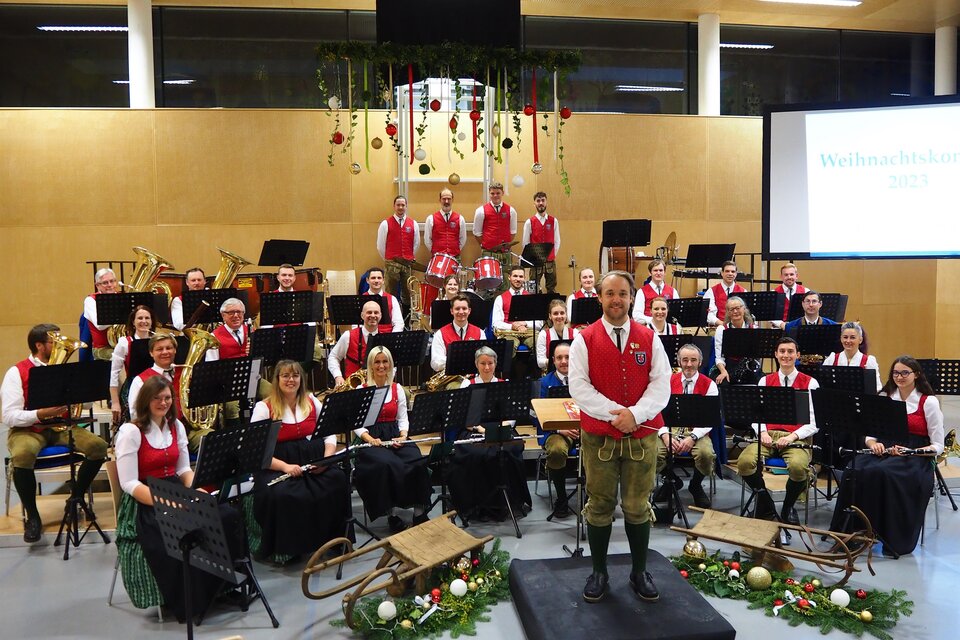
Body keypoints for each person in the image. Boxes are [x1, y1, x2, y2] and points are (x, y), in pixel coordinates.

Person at [569, 270, 670, 603]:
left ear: (631, 297)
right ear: (599, 297)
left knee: (637, 506)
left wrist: (636, 415)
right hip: (599, 438)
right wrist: (619, 414)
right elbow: (579, 388)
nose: (616, 299)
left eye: (623, 293)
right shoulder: (584, 340)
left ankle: (639, 571)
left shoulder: (649, 337)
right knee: (599, 505)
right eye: (610, 293)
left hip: (642, 437)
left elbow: (661, 382)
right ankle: (599, 571)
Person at [114, 376, 242, 622]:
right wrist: (166, 502)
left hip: (175, 490)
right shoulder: (131, 432)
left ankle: (221, 588)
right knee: (183, 530)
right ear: (146, 400)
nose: (163, 402)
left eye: (167, 398)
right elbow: (128, 483)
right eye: (157, 398)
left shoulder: (176, 426)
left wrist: (197, 490)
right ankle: (191, 599)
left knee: (226, 515)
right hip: (145, 499)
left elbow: (183, 470)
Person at [2, 324, 109, 543]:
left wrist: (83, 391)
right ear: (39, 345)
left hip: (62, 426)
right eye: (54, 341)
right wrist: (39, 414)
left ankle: (75, 497)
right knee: (23, 454)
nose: (60, 344)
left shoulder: (65, 371)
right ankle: (33, 517)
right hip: (28, 429)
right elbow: (9, 416)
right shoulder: (17, 372)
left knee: (98, 446)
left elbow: (86, 403)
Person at [828, 356, 944, 557]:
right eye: (896, 373)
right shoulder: (885, 396)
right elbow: (869, 435)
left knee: (883, 473)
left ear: (916, 375)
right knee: (854, 470)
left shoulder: (929, 401)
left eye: (905, 373)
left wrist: (911, 451)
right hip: (885, 450)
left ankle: (886, 535)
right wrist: (874, 444)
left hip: (915, 456)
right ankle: (852, 531)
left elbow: (938, 445)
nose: (899, 377)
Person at [249, 360, 348, 559]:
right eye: (285, 376)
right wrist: (285, 467)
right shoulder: (264, 407)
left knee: (337, 480)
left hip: (314, 463)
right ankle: (292, 550)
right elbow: (256, 451)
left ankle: (333, 540)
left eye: (295, 376)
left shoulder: (312, 400)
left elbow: (329, 434)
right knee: (285, 495)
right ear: (276, 380)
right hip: (277, 467)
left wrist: (326, 460)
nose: (291, 380)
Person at [736, 337, 819, 525]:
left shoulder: (810, 383)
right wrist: (762, 432)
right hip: (768, 436)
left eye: (790, 352)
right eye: (782, 351)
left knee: (798, 468)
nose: (786, 355)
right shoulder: (765, 381)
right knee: (744, 462)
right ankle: (766, 503)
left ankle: (788, 507)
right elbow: (756, 415)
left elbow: (815, 421)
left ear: (798, 355)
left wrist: (792, 437)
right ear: (775, 354)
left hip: (796, 438)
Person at [447, 347, 531, 521]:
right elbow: (463, 419)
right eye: (483, 363)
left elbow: (511, 415)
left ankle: (505, 503)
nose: (487, 367)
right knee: (475, 454)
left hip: (500, 429)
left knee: (509, 451)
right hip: (475, 430)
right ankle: (478, 505)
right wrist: (482, 430)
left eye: (490, 363)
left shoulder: (503, 383)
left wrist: (500, 429)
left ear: (496, 364)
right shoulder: (467, 385)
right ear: (476, 364)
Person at [353, 346, 432, 532]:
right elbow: (356, 423)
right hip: (370, 438)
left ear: (390, 364)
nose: (381, 366)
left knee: (416, 459)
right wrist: (369, 438)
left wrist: (403, 436)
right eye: (377, 362)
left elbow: (403, 418)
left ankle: (419, 512)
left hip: (395, 435)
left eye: (385, 361)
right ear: (371, 366)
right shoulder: (361, 389)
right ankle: (392, 515)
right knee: (386, 465)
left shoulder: (397, 389)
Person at [128, 332, 213, 453]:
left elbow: (202, 402)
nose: (165, 352)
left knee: (215, 439)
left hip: (189, 430)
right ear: (151, 353)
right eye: (159, 349)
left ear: (175, 351)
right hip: (157, 434)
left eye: (169, 348)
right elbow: (136, 414)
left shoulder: (187, 374)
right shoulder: (140, 380)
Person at [656, 344, 717, 509]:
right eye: (685, 360)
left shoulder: (709, 384)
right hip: (670, 429)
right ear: (678, 362)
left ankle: (695, 485)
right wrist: (665, 435)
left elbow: (710, 417)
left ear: (700, 362)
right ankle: (671, 480)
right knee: (652, 453)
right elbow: (656, 411)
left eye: (693, 360)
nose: (689, 364)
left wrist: (693, 437)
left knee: (705, 454)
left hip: (697, 430)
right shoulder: (667, 382)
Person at [537, 342, 578, 517]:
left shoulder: (585, 379)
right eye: (559, 358)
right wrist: (560, 429)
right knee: (556, 450)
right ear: (553, 361)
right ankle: (561, 498)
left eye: (568, 357)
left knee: (600, 446)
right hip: (556, 431)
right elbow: (537, 415)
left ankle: (595, 500)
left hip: (583, 429)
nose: (564, 361)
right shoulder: (544, 383)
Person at [109, 304, 158, 424]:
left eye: (147, 318)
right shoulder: (124, 343)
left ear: (152, 321)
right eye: (140, 318)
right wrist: (115, 403)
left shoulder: (157, 341)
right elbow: (114, 373)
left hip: (156, 387)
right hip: (132, 389)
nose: (144, 321)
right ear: (133, 322)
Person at [473, 181, 517, 295]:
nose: (495, 196)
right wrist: (487, 245)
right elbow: (477, 233)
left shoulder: (511, 211)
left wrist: (503, 245)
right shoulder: (480, 211)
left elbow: (513, 232)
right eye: (492, 193)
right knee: (487, 285)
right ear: (489, 194)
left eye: (498, 193)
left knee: (505, 284)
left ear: (502, 193)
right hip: (488, 253)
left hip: (505, 254)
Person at [377, 195, 420, 307]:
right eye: (398, 205)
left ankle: (406, 322)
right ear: (394, 206)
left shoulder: (413, 224)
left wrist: (408, 256)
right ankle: (390, 321)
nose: (400, 207)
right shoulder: (385, 224)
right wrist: (390, 259)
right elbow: (380, 246)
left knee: (408, 294)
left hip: (408, 264)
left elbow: (416, 244)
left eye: (403, 205)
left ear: (406, 206)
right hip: (391, 264)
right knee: (390, 294)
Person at [328, 300, 383, 385]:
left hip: (378, 385)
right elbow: (333, 357)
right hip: (354, 387)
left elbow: (392, 364)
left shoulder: (385, 338)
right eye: (369, 312)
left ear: (380, 316)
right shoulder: (348, 336)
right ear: (362, 315)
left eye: (376, 313)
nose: (373, 315)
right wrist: (338, 376)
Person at [430, 294, 484, 372]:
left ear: (469, 311)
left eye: (464, 308)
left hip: (474, 378)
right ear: (452, 311)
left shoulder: (480, 333)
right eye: (457, 309)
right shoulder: (440, 334)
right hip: (451, 379)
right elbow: (436, 363)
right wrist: (460, 361)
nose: (461, 312)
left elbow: (483, 358)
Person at [711, 296, 758, 384]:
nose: (735, 311)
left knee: (760, 381)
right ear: (728, 312)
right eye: (731, 309)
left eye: (738, 308)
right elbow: (719, 357)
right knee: (723, 381)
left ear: (744, 309)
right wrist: (723, 371)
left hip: (747, 366)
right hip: (727, 366)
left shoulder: (753, 328)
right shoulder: (722, 329)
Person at [824, 321, 881, 391]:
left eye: (852, 337)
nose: (848, 341)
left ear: (860, 340)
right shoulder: (832, 359)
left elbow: (877, 388)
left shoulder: (869, 361)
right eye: (845, 337)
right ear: (841, 338)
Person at [521, 191, 560, 292]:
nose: (541, 203)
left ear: (546, 202)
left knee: (551, 287)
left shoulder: (553, 221)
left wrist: (551, 255)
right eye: (538, 201)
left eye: (543, 200)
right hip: (535, 261)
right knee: (534, 288)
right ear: (534, 203)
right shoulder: (529, 222)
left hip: (550, 261)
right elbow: (525, 243)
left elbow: (557, 240)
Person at [492, 266, 535, 352]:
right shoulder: (500, 298)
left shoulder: (532, 298)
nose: (518, 279)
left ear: (524, 278)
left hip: (529, 334)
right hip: (509, 334)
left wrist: (525, 323)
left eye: (521, 276)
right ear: (509, 277)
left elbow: (539, 323)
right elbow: (496, 324)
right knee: (508, 346)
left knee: (539, 343)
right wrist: (512, 326)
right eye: (515, 276)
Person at [83, 267, 119, 360]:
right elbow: (100, 324)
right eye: (105, 283)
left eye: (112, 281)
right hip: (102, 348)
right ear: (97, 285)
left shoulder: (122, 297)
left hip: (121, 344)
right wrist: (123, 316)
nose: (110, 285)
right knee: (121, 356)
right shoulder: (91, 300)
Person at [423, 188, 466, 258]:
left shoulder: (460, 219)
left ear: (452, 200)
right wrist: (435, 251)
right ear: (440, 200)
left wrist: (455, 251)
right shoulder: (430, 219)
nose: (446, 201)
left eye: (449, 199)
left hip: (455, 257)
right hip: (437, 257)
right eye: (444, 199)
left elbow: (463, 239)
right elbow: (427, 240)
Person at [633, 259, 678, 324]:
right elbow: (636, 316)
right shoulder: (641, 292)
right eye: (655, 270)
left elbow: (677, 313)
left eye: (661, 270)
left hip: (668, 328)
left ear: (665, 272)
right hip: (649, 328)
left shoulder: (673, 291)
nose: (658, 273)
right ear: (650, 273)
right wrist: (655, 320)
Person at [536, 298, 576, 370]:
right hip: (551, 373)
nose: (559, 316)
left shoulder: (575, 333)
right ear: (550, 316)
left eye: (562, 313)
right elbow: (540, 362)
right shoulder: (543, 335)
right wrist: (557, 362)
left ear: (566, 315)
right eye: (555, 313)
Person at [703, 260, 746, 326]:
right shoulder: (711, 291)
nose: (730, 274)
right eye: (727, 271)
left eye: (733, 271)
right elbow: (709, 315)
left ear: (736, 274)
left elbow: (746, 314)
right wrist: (723, 325)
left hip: (738, 328)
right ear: (722, 273)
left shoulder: (743, 291)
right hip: (718, 327)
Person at [363, 267, 404, 332]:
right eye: (373, 278)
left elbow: (398, 323)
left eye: (379, 278)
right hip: (367, 338)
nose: (376, 281)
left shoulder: (392, 299)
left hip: (387, 338)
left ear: (383, 280)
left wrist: (392, 338)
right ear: (367, 280)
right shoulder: (361, 298)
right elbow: (356, 325)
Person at [771, 263, 807, 328]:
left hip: (800, 328)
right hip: (779, 328)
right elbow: (770, 315)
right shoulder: (774, 293)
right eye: (786, 275)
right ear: (781, 277)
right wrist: (782, 324)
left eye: (791, 274)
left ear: (796, 276)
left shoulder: (806, 292)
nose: (789, 277)